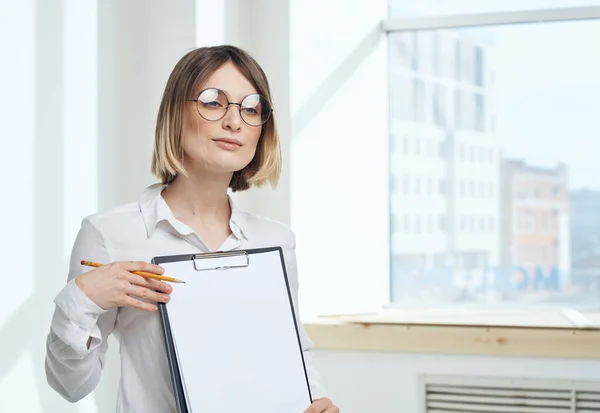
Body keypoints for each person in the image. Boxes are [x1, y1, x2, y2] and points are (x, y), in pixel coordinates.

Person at [45, 45, 339, 413]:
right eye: (214, 102)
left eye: (251, 109)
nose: (234, 122)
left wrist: (315, 399)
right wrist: (81, 298)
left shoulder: (277, 241)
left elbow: (292, 349)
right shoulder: (109, 234)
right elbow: (70, 386)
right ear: (174, 113)